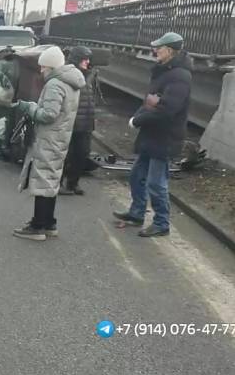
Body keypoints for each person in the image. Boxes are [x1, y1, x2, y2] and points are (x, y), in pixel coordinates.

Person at [113, 32, 192, 238]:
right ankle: (137, 213)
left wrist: (138, 120)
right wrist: (138, 116)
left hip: (164, 137)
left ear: (170, 50)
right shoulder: (163, 72)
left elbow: (167, 109)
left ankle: (161, 223)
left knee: (156, 183)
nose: (155, 50)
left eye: (159, 47)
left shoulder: (180, 76)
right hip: (151, 134)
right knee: (137, 176)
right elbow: (150, 101)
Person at [11, 45, 86, 241]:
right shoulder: (71, 82)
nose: (42, 71)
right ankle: (50, 223)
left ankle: (37, 227)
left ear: (52, 67)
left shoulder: (55, 84)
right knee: (52, 181)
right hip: (61, 137)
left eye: (44, 67)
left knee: (43, 181)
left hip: (48, 138)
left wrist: (30, 108)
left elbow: (49, 114)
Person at [60, 46, 96, 196]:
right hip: (71, 123)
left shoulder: (89, 76)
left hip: (85, 124)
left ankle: (73, 183)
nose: (87, 62)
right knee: (65, 155)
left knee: (82, 154)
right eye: (84, 58)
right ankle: (60, 182)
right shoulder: (69, 76)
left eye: (88, 59)